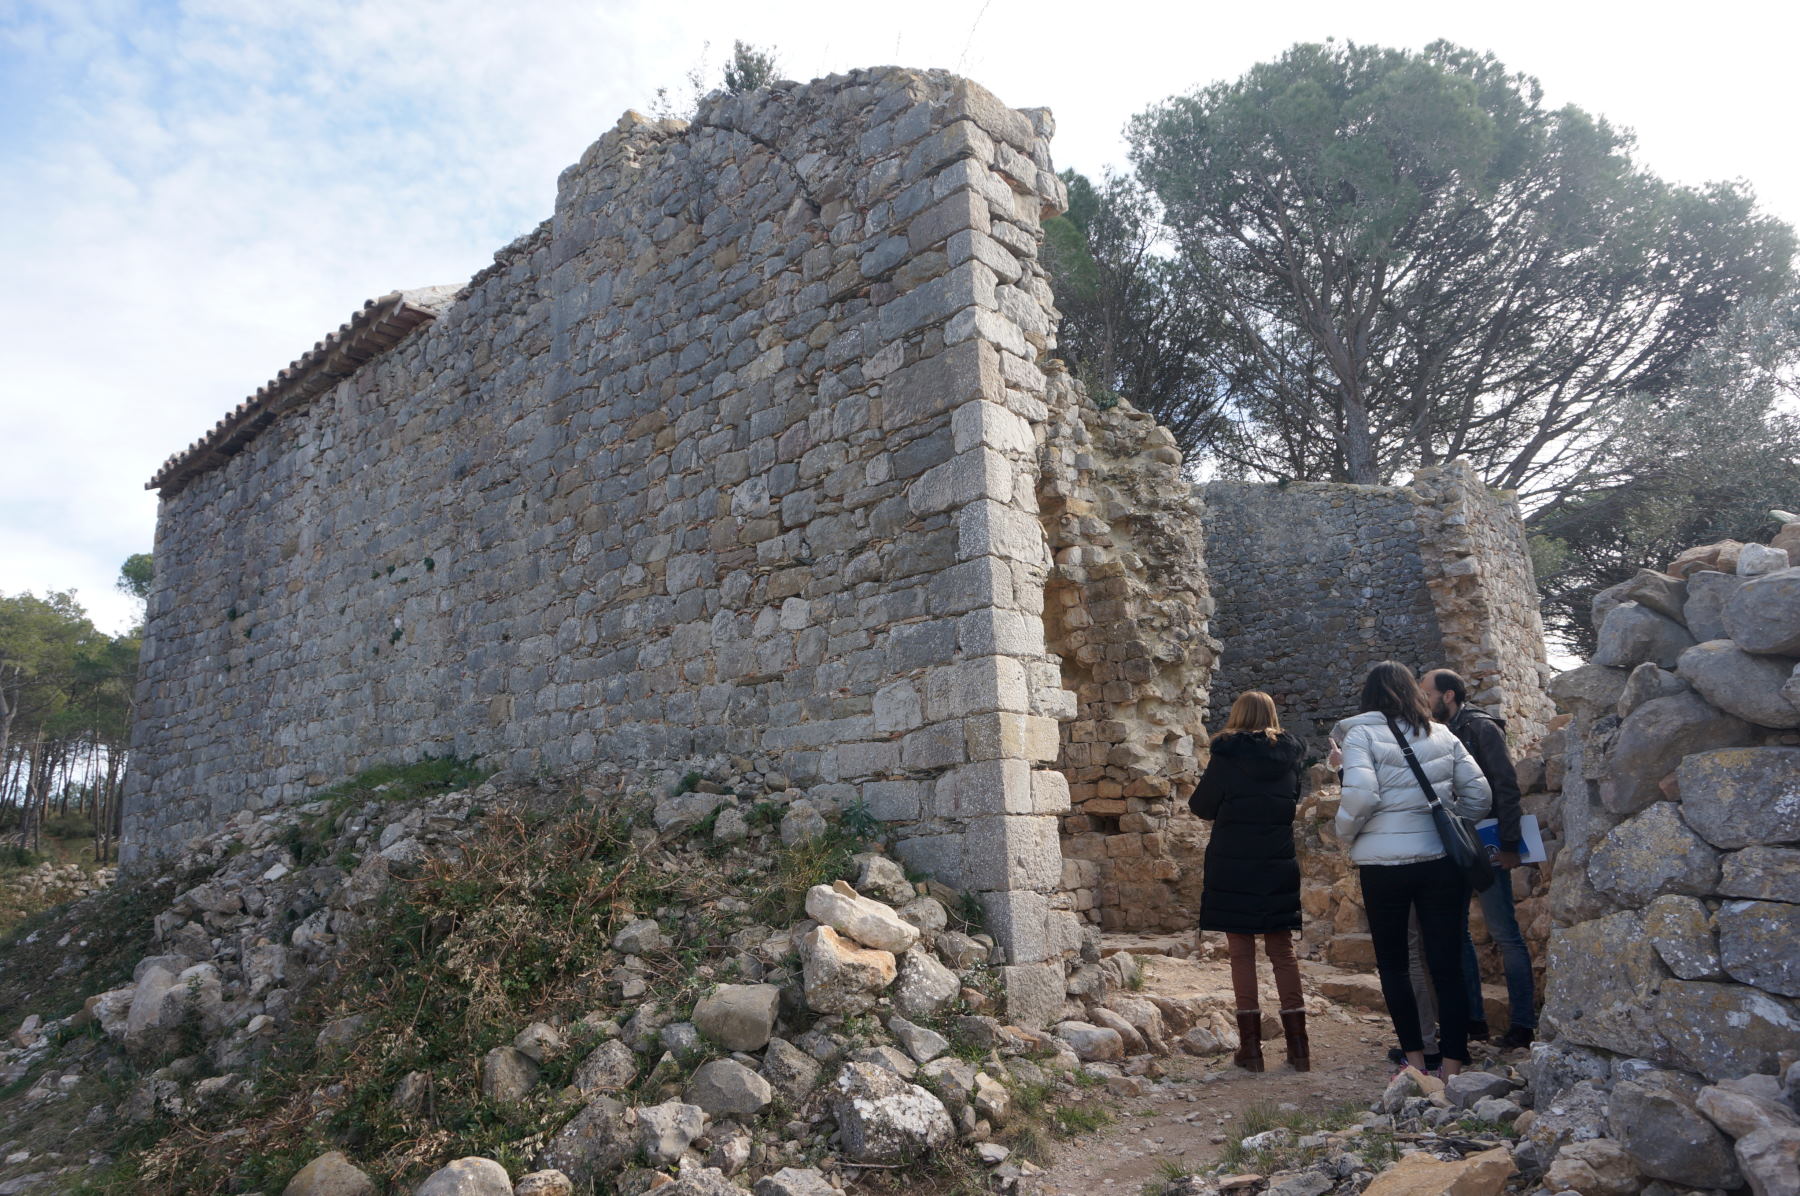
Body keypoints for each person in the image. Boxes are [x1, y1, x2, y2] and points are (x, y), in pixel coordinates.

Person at [1333, 662, 1491, 1077]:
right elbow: (1479, 795)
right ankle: (1453, 1066)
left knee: (1395, 963)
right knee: (1447, 962)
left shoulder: (1360, 734)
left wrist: (1345, 833)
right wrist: (1450, 821)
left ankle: (1417, 1064)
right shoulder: (1442, 733)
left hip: (1384, 865)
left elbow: (1361, 796)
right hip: (1440, 861)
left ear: (1369, 695)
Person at [1188, 691, 1310, 1072]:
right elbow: (1291, 799)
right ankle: (1299, 1050)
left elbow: (1201, 806)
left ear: (1237, 716)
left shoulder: (1226, 755)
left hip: (1232, 863)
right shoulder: (1292, 758)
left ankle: (1252, 1050)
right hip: (1277, 861)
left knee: (1241, 951)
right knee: (1282, 950)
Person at [1422, 668, 1537, 1050]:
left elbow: (1505, 785)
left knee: (1504, 933)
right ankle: (1474, 1022)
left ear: (1449, 695)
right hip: (1455, 841)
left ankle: (1522, 1025)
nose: (1424, 700)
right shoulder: (1440, 731)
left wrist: (1509, 844)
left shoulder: (1482, 729)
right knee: (1457, 934)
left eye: (1428, 693)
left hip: (1486, 842)